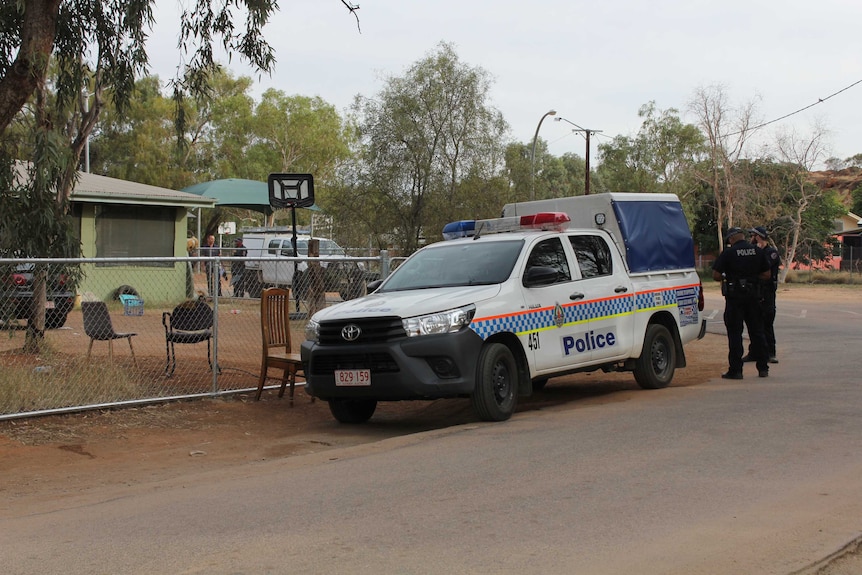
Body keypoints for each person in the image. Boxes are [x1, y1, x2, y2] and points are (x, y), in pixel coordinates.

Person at [712, 227, 772, 380]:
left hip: (735, 299)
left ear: (732, 239)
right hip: (754, 298)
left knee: (735, 335)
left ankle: (736, 370)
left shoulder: (729, 253)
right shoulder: (757, 252)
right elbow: (767, 274)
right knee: (758, 332)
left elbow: (716, 275)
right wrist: (752, 278)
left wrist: (731, 276)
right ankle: (763, 368)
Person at [743, 226, 781, 364]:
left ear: (758, 236)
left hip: (767, 292)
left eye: (753, 235)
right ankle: (754, 352)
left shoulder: (771, 253)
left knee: (767, 323)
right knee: (754, 323)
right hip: (755, 291)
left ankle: (771, 353)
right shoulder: (754, 251)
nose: (751, 238)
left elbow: (763, 268)